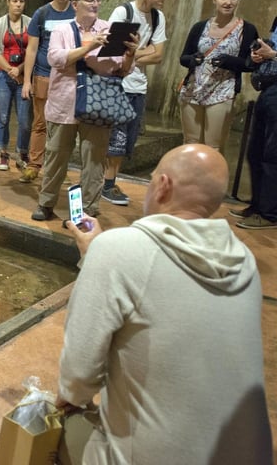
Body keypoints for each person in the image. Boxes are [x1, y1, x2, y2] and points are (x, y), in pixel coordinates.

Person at [57, 144, 272, 464]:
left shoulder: (116, 251)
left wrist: (100, 253)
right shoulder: (244, 263)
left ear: (163, 185)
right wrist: (99, 252)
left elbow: (76, 382)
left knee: (51, 424)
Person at [31, 0, 137, 221]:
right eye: (90, 0)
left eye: (98, 0)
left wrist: (130, 54)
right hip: (65, 104)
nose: (96, 4)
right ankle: (46, 203)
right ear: (76, 4)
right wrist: (90, 46)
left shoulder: (110, 29)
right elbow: (55, 58)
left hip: (98, 105)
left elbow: (122, 69)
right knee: (56, 156)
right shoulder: (63, 30)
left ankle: (88, 210)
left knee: (95, 161)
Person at [101, 0, 170, 207]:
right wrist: (142, 52)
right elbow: (112, 51)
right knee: (115, 138)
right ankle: (107, 185)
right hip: (118, 83)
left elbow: (159, 55)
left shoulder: (158, 17)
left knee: (128, 138)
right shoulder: (124, 12)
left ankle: (109, 181)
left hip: (139, 86)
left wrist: (133, 54)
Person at [178, 0, 259, 150]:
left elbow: (251, 63)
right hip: (193, 90)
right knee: (190, 143)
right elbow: (183, 57)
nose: (228, 2)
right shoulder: (200, 27)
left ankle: (210, 178)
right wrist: (193, 59)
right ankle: (189, 177)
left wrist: (230, 61)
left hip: (222, 91)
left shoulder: (247, 29)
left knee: (213, 147)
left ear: (239, 0)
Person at [20, 0, 75, 183]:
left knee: (65, 126)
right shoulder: (41, 14)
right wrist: (26, 81)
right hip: (43, 76)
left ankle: (60, 168)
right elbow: (32, 49)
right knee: (40, 123)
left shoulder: (76, 13)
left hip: (68, 79)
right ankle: (34, 165)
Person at [231, 0, 277, 230]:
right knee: (256, 150)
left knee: (273, 156)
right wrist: (262, 56)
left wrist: (274, 55)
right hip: (269, 90)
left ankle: (270, 214)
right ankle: (258, 204)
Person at [0, 0, 32, 170]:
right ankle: (3, 153)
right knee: (3, 117)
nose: (18, 5)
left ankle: (22, 152)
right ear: (8, 2)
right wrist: (10, 69)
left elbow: (32, 50)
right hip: (2, 75)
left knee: (24, 119)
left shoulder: (30, 22)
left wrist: (20, 69)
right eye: (14, 1)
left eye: (21, 1)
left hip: (23, 76)